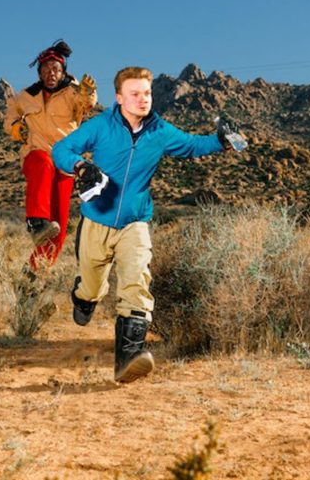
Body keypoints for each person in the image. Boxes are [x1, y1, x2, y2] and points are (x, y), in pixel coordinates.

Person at [51, 66, 243, 383]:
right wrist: (79, 164)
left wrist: (221, 140)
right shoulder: (100, 126)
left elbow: (193, 145)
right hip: (96, 221)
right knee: (93, 287)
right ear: (119, 97)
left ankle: (128, 361)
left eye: (147, 93)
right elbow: (61, 149)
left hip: (135, 223)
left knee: (136, 286)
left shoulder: (159, 131)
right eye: (135, 94)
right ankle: (83, 297)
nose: (143, 99)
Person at [4, 39, 97, 271]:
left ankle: (36, 272)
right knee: (43, 163)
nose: (50, 73)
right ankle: (36, 222)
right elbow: (9, 120)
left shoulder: (71, 92)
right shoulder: (26, 96)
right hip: (36, 154)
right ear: (40, 72)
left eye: (55, 69)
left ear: (63, 71)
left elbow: (86, 104)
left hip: (64, 162)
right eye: (46, 69)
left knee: (59, 224)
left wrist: (89, 92)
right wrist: (17, 129)